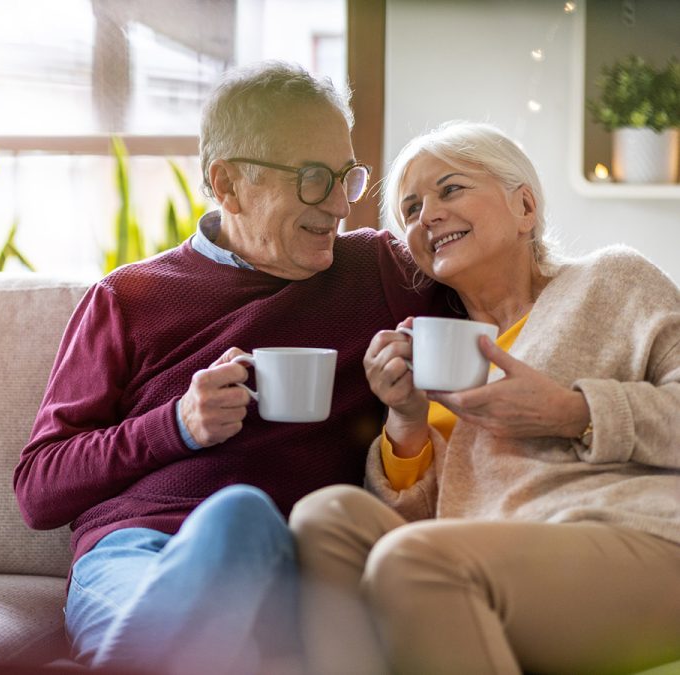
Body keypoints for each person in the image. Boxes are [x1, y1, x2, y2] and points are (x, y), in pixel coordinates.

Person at [12, 62, 456, 675]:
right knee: (235, 522)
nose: (336, 205)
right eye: (311, 178)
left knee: (247, 524)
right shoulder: (127, 298)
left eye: (345, 177)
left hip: (293, 564)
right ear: (228, 184)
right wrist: (176, 424)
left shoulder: (381, 271)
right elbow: (38, 490)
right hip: (138, 555)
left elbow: (511, 282)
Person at [290, 120, 680, 675]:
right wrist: (406, 419)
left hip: (636, 535)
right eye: (410, 209)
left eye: (449, 190)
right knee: (325, 516)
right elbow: (443, 515)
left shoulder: (611, 281)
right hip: (481, 555)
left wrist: (576, 413)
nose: (427, 215)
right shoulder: (436, 351)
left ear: (524, 207)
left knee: (415, 561)